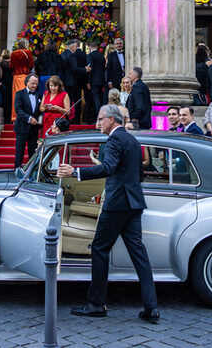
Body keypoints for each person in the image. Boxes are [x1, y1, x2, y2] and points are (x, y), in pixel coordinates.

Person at [59, 105, 158, 323]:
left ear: (112, 120)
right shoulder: (132, 139)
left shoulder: (114, 140)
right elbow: (138, 173)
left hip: (116, 205)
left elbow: (108, 168)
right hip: (133, 203)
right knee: (139, 255)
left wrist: (76, 172)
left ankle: (96, 304)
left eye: (100, 119)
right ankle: (151, 307)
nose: (97, 123)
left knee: (99, 248)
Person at [13, 74, 41, 168]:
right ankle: (17, 170)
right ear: (26, 82)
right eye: (32, 83)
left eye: (36, 84)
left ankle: (30, 171)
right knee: (19, 151)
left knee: (32, 152)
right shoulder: (19, 94)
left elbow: (38, 111)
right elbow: (18, 110)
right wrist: (29, 118)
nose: (34, 86)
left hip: (34, 129)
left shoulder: (38, 95)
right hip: (22, 127)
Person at [10, 39, 35, 121]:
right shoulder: (28, 52)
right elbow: (31, 65)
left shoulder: (13, 53)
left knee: (15, 97)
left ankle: (15, 117)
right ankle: (25, 116)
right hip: (25, 77)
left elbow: (11, 66)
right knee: (26, 97)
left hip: (16, 77)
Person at [87, 42, 106, 120]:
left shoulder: (90, 56)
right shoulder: (101, 56)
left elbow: (89, 69)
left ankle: (98, 117)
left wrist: (88, 81)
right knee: (100, 98)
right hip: (101, 79)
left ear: (90, 47)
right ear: (97, 47)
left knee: (96, 99)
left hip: (93, 80)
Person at [0, 49, 13, 124]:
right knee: (11, 101)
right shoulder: (12, 63)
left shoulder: (1, 63)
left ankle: (6, 119)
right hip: (11, 82)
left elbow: (0, 74)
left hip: (4, 83)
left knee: (5, 101)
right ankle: (11, 118)